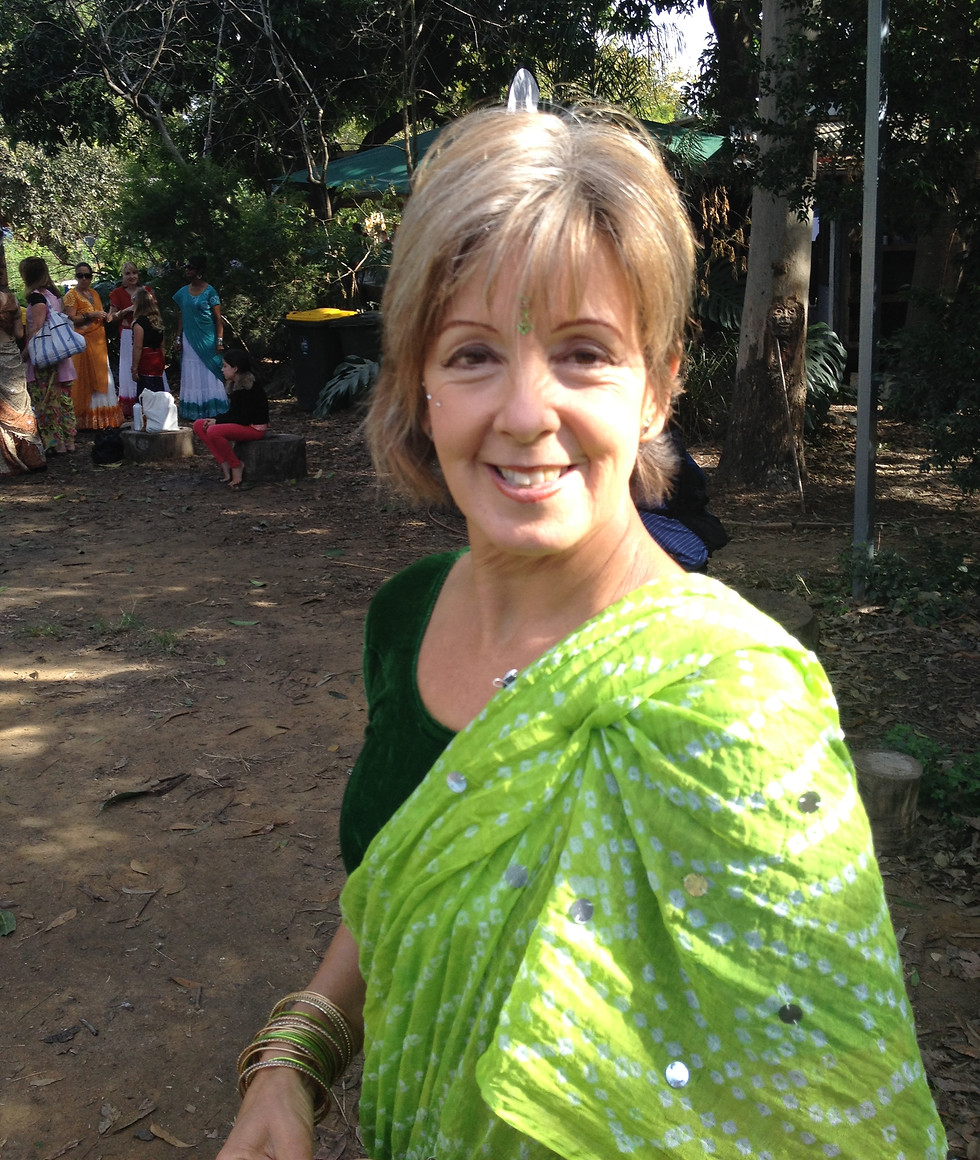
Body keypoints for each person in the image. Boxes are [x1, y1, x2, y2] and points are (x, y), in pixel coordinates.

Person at [218, 108, 945, 1160]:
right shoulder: (406, 616)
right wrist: (293, 1058)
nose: (523, 410)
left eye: (582, 353)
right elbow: (403, 887)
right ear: (416, 383)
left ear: (658, 382)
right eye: (471, 354)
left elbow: (824, 1109)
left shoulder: (730, 703)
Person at [19, 256, 77, 454]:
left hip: (44, 357)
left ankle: (56, 443)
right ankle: (69, 441)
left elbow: (36, 328)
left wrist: (25, 354)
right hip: (61, 353)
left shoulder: (37, 298)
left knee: (47, 401)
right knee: (64, 400)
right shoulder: (54, 294)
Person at [192, 348, 268, 487]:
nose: (222, 369)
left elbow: (243, 418)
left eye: (225, 366)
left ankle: (236, 465)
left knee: (213, 431)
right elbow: (234, 413)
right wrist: (214, 420)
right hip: (242, 423)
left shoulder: (249, 388)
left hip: (254, 428)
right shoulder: (235, 385)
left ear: (235, 368)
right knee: (199, 424)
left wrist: (217, 421)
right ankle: (224, 462)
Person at [63, 262, 123, 429]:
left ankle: (104, 419)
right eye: (80, 275)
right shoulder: (71, 296)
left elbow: (102, 315)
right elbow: (70, 319)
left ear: (91, 277)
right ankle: (84, 420)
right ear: (76, 277)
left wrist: (107, 315)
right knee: (83, 376)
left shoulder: (94, 293)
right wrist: (91, 314)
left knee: (102, 374)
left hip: (98, 341)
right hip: (82, 341)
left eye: (87, 275)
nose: (84, 279)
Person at [173, 254, 226, 421]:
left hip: (208, 338)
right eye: (186, 267)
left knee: (209, 371)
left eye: (191, 267)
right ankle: (194, 409)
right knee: (191, 371)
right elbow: (181, 315)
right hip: (189, 338)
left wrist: (219, 341)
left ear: (199, 270)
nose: (187, 270)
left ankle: (214, 408)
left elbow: (218, 319)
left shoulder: (210, 291)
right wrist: (178, 338)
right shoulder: (182, 292)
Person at [110, 261, 165, 418]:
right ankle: (133, 406)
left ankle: (156, 402)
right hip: (128, 334)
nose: (131, 276)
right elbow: (110, 317)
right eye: (128, 274)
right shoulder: (117, 293)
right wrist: (126, 310)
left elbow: (156, 312)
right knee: (132, 365)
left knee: (149, 365)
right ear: (123, 276)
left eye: (134, 273)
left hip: (148, 332)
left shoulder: (146, 291)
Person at [0, 287, 46, 475]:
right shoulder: (11, 299)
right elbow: (19, 334)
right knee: (21, 407)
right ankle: (31, 457)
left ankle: (6, 463)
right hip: (10, 355)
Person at [130, 287, 169, 397]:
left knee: (145, 392)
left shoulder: (139, 324)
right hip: (157, 358)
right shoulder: (157, 321)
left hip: (146, 360)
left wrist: (134, 368)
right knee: (157, 389)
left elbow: (138, 347)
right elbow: (162, 345)